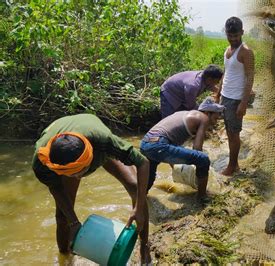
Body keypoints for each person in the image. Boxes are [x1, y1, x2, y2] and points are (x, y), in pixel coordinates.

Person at [32, 114, 151, 264]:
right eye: (72, 174)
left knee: (135, 187)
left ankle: (144, 247)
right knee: (62, 216)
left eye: (80, 172)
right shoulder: (43, 161)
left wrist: (138, 208)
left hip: (93, 139)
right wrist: (74, 222)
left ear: (90, 158)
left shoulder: (105, 142)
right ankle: (65, 256)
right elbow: (56, 188)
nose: (78, 178)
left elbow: (143, 163)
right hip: (64, 153)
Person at [140, 97, 224, 201]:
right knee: (203, 159)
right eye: (216, 117)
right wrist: (198, 168)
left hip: (145, 144)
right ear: (207, 112)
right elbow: (197, 148)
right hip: (158, 145)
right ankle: (201, 197)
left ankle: (140, 200)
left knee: (149, 178)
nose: (216, 121)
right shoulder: (204, 118)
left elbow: (171, 144)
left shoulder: (185, 114)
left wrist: (177, 167)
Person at [216, 16, 255, 176]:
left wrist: (243, 103)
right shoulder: (228, 50)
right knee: (229, 131)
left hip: (236, 99)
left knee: (234, 133)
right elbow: (226, 73)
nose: (232, 39)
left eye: (235, 36)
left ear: (242, 32)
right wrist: (218, 93)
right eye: (229, 36)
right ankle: (235, 164)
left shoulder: (246, 52)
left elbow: (250, 77)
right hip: (225, 96)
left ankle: (232, 167)